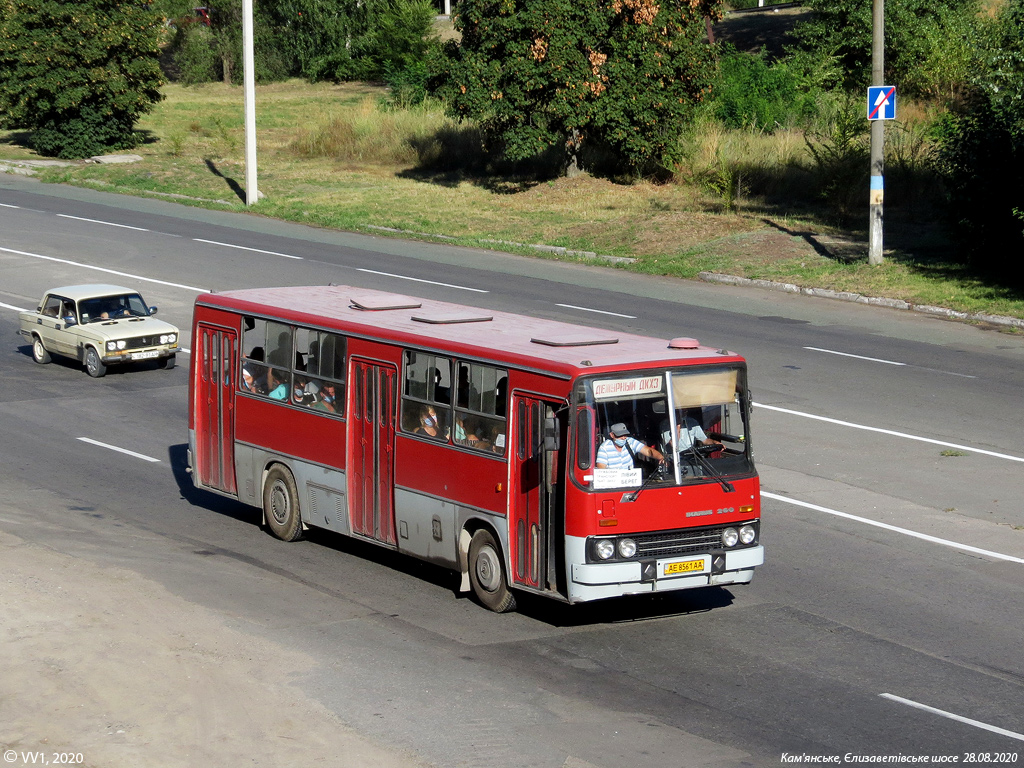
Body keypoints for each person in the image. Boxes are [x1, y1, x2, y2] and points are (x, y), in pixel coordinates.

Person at [595, 423, 663, 470]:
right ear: (612, 435)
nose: (623, 437)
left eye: (625, 435)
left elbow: (648, 451)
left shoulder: (630, 442)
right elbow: (601, 469)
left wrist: (661, 458)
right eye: (620, 435)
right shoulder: (604, 448)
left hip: (630, 481)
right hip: (613, 483)